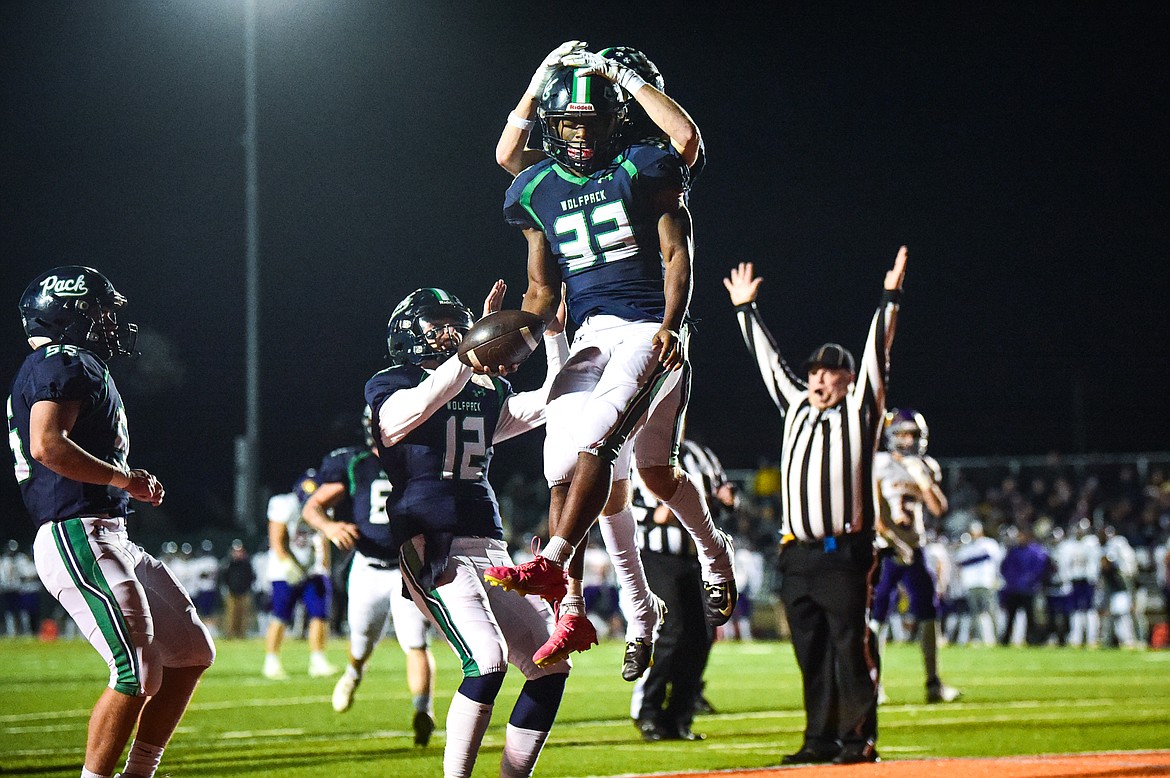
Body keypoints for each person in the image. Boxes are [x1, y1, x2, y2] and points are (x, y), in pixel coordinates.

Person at [484, 59, 736, 668]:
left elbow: (678, 251)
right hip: (591, 332)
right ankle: (571, 609)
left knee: (618, 455)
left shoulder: (642, 168)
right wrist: (505, 342)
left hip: (650, 328)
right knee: (560, 463)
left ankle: (564, 560)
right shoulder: (537, 187)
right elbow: (541, 295)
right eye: (571, 121)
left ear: (615, 120)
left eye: (593, 121)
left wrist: (673, 325)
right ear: (554, 122)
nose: (581, 133)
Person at [9, 266, 215, 778]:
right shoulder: (61, 359)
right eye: (98, 310)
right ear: (68, 313)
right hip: (75, 530)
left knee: (190, 651)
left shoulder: (78, 363)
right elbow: (46, 444)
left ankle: (139, 772)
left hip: (108, 532)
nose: (109, 321)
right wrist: (124, 479)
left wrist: (122, 485)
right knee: (136, 672)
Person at [366, 283, 572, 778]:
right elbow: (401, 418)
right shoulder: (391, 383)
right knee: (487, 659)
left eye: (456, 322)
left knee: (551, 663)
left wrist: (555, 338)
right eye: (438, 323)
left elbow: (554, 403)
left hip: (490, 541)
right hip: (431, 542)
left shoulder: (482, 388)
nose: (450, 331)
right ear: (409, 333)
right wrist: (470, 353)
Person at [723, 247, 908, 765]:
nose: (818, 379)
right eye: (815, 372)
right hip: (797, 555)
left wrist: (889, 299)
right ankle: (818, 739)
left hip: (844, 552)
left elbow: (878, 353)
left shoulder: (862, 410)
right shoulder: (796, 406)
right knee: (810, 653)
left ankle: (857, 740)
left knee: (850, 647)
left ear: (847, 380)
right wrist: (745, 311)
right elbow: (769, 364)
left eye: (829, 373)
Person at [299, 410, 438, 746]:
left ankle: (424, 710)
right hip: (368, 566)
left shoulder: (420, 462)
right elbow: (311, 507)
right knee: (361, 642)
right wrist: (330, 526)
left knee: (416, 641)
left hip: (408, 568)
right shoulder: (356, 463)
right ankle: (354, 672)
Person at [628, 437, 727, 742]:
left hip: (697, 557)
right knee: (672, 630)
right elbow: (615, 502)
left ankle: (680, 716)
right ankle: (649, 711)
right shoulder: (635, 450)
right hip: (657, 556)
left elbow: (719, 493)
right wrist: (651, 515)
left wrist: (725, 499)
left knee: (703, 634)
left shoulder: (701, 453)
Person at [871, 409, 961, 704]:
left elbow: (938, 509)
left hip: (916, 547)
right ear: (890, 437)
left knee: (928, 613)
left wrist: (923, 480)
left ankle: (933, 682)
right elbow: (874, 514)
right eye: (901, 434)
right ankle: (873, 683)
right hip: (887, 548)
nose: (907, 440)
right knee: (878, 615)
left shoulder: (926, 466)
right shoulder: (880, 464)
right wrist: (894, 542)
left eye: (911, 434)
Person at [262, 470, 337, 680]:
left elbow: (324, 538)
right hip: (285, 569)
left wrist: (324, 566)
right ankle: (271, 661)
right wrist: (287, 563)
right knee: (281, 615)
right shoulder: (283, 503)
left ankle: (318, 660)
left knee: (320, 614)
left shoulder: (324, 507)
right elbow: (276, 537)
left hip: (313, 569)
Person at [220, 539, 256, 639]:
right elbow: (223, 578)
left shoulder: (247, 563)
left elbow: (252, 577)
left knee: (243, 615)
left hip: (244, 592)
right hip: (231, 592)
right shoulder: (228, 563)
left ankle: (241, 634)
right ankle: (230, 634)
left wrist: (247, 588)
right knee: (231, 615)